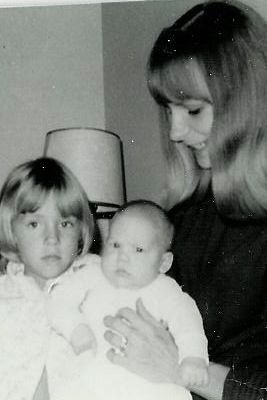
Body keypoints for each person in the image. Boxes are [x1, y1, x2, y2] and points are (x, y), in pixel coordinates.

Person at [103, 1, 267, 400]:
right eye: (169, 111)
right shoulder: (183, 219)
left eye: (193, 109)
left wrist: (182, 368)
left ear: (243, 103)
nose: (175, 132)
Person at [47, 200, 209, 400]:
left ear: (164, 262)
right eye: (115, 245)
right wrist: (75, 327)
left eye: (138, 250)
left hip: (148, 385)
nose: (122, 257)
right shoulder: (91, 273)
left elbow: (188, 325)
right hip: (93, 377)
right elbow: (60, 300)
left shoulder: (166, 290)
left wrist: (194, 357)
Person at [0, 156, 96, 400]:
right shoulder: (4, 295)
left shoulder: (97, 281)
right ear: (11, 231)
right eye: (34, 224)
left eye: (65, 223)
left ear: (81, 231)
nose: (51, 238)